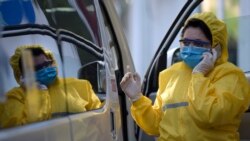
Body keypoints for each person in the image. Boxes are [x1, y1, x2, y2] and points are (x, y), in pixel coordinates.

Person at [120, 12, 250, 141]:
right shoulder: (170, 74)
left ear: (216, 47)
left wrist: (199, 75)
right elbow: (156, 126)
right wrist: (137, 99)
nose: (190, 48)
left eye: (198, 44)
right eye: (186, 42)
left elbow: (211, 114)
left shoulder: (231, 76)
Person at [0, 45, 102, 128]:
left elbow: (102, 119)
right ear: (23, 75)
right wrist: (38, 91)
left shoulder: (80, 86)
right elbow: (22, 134)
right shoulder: (14, 98)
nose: (45, 69)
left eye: (47, 64)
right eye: (37, 68)